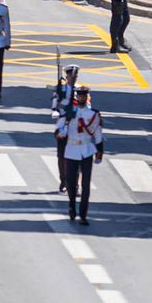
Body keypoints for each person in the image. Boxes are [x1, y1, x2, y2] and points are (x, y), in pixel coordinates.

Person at [63, 86, 104, 226]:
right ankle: (72, 206)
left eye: (84, 96)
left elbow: (98, 134)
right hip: (72, 149)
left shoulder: (93, 114)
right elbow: (61, 128)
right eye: (79, 96)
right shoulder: (69, 112)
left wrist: (100, 151)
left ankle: (83, 214)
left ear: (87, 97)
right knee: (70, 181)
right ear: (76, 97)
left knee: (86, 183)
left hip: (86, 149)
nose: (81, 98)